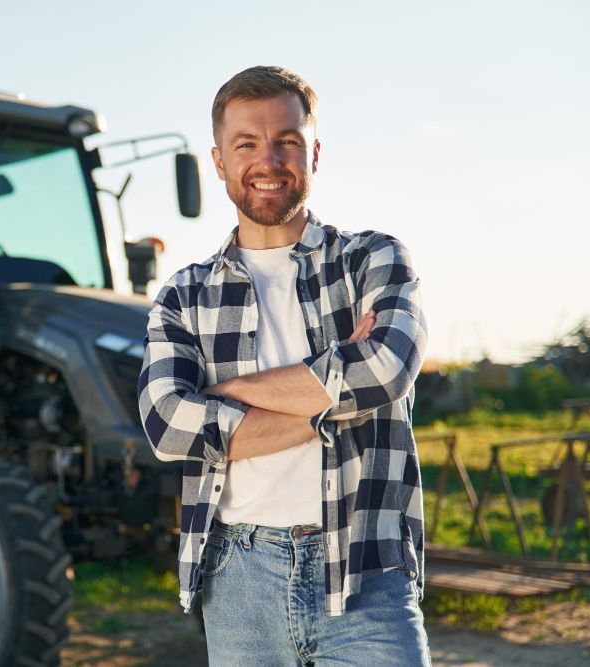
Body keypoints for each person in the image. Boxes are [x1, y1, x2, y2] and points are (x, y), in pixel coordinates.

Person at [137, 65, 431, 666]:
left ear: (313, 152)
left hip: (366, 567)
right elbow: (168, 426)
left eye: (286, 141)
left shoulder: (372, 260)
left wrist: (227, 392)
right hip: (237, 576)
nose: (268, 160)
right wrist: (331, 402)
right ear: (219, 161)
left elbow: (384, 370)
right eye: (246, 143)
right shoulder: (183, 295)